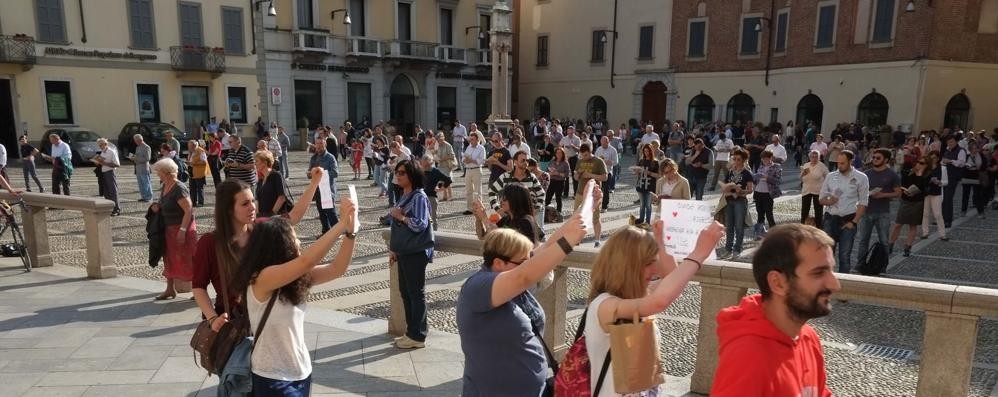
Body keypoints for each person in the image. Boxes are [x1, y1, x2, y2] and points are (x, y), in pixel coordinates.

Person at [231, 198, 356, 396]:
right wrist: (340, 224)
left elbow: (337, 268)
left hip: (301, 370)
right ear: (279, 246)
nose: (298, 242)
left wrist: (351, 233)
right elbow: (306, 261)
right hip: (272, 376)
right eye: (294, 238)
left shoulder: (294, 278)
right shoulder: (262, 279)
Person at [457, 208, 588, 396]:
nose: (529, 264)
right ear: (498, 263)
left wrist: (583, 210)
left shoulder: (509, 273)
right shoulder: (477, 287)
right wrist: (568, 242)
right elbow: (523, 276)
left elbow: (547, 247)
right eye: (523, 261)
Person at [586, 219, 723, 396]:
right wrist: (698, 254)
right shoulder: (604, 305)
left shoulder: (636, 294)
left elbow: (671, 278)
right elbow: (660, 301)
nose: (655, 270)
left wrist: (661, 240)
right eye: (648, 263)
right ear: (626, 266)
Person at [710, 224, 839, 397]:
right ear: (777, 283)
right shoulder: (748, 357)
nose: (835, 285)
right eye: (818, 273)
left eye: (831, 270)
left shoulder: (808, 337)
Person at [192, 173, 321, 337]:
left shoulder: (261, 229)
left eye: (253, 200)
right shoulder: (210, 242)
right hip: (233, 324)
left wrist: (314, 182)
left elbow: (293, 217)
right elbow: (198, 286)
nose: (253, 207)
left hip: (267, 317)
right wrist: (212, 318)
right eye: (245, 203)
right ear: (229, 209)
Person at [387, 160, 434, 349]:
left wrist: (401, 217)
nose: (397, 175)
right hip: (404, 250)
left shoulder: (418, 197)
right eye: (396, 172)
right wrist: (394, 249)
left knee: (416, 294)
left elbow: (420, 224)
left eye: (402, 172)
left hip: (416, 251)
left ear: (412, 175)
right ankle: (410, 332)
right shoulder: (403, 195)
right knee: (406, 293)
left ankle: (419, 335)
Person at [150, 158, 196, 300]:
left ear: (167, 172)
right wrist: (157, 206)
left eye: (159, 172)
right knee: (168, 258)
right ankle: (170, 289)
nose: (158, 175)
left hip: (182, 228)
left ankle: (198, 290)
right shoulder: (165, 185)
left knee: (188, 258)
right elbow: (167, 203)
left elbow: (188, 210)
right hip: (168, 228)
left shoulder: (179, 188)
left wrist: (182, 231)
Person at [820, 150, 870, 273]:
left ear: (850, 162)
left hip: (848, 219)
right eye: (838, 163)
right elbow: (821, 199)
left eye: (843, 163)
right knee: (827, 255)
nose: (840, 166)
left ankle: (844, 285)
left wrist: (854, 222)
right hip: (830, 219)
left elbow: (863, 202)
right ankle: (826, 281)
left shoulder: (861, 177)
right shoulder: (831, 176)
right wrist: (830, 201)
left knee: (844, 255)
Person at [855, 148, 901, 268]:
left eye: (878, 158)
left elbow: (898, 193)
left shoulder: (892, 175)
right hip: (866, 211)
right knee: (863, 240)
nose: (874, 160)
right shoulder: (867, 174)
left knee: (884, 241)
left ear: (886, 160)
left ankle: (882, 266)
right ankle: (860, 264)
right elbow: (858, 190)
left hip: (883, 212)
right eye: (873, 157)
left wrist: (883, 195)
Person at [889, 157, 930, 257]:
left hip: (917, 202)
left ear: (926, 166)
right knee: (898, 224)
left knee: (913, 225)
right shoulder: (907, 172)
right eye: (918, 162)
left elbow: (923, 188)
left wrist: (920, 175)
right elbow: (903, 184)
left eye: (922, 163)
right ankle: (890, 245)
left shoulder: (927, 175)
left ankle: (908, 247)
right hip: (906, 201)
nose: (919, 165)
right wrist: (905, 191)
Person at [488, 151, 545, 220]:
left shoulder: (532, 177)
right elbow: (492, 192)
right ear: (515, 162)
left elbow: (541, 194)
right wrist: (497, 209)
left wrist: (537, 209)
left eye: (527, 160)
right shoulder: (505, 176)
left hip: (526, 216)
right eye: (523, 160)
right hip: (509, 217)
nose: (526, 163)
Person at [719, 148, 754, 258]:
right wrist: (726, 188)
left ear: (743, 160)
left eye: (738, 159)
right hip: (729, 201)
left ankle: (737, 249)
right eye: (734, 159)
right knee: (729, 226)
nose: (736, 161)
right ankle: (728, 249)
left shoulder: (747, 173)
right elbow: (724, 185)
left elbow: (750, 189)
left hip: (740, 201)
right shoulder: (730, 172)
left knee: (739, 226)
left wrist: (741, 191)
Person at [574, 144, 609, 246]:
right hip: (580, 193)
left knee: (595, 218)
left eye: (586, 155)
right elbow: (575, 177)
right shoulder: (580, 161)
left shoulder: (598, 161)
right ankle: (577, 239)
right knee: (578, 217)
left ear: (590, 152)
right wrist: (578, 174)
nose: (584, 157)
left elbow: (605, 177)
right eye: (582, 155)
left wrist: (590, 175)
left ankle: (597, 240)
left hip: (594, 194)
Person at [309, 137, 339, 233]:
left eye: (321, 143)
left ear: (325, 145)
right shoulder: (313, 158)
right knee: (322, 213)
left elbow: (335, 173)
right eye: (317, 143)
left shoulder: (330, 157)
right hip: (317, 189)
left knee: (330, 212)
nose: (319, 145)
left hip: (327, 189)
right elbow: (310, 174)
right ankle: (325, 232)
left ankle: (337, 232)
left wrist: (321, 173)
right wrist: (310, 174)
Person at [753, 150, 783, 237]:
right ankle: (760, 233)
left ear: (770, 158)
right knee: (759, 213)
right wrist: (754, 178)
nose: (764, 161)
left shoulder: (776, 167)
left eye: (766, 159)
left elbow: (779, 181)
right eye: (762, 159)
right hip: (758, 192)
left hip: (768, 193)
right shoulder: (761, 166)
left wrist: (767, 178)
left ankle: (774, 233)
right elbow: (756, 179)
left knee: (769, 213)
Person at [420, 154, 453, 231]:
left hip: (431, 197)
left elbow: (448, 180)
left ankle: (434, 235)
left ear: (430, 163)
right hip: (421, 197)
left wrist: (442, 189)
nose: (425, 166)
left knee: (432, 218)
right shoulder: (421, 171)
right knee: (421, 217)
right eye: (423, 164)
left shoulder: (435, 171)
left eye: (426, 164)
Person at [255, 151, 291, 218]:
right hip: (262, 216)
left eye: (257, 161)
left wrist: (271, 214)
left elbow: (282, 197)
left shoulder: (276, 175)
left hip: (275, 217)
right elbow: (257, 199)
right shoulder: (261, 179)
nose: (255, 164)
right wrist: (257, 215)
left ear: (265, 163)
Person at [922, 153, 948, 240]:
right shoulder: (926, 167)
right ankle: (925, 233)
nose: (933, 159)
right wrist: (929, 180)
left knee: (938, 214)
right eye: (931, 158)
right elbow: (922, 180)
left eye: (935, 158)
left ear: (938, 159)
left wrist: (939, 182)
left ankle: (942, 234)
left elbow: (946, 182)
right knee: (925, 213)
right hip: (927, 193)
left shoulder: (943, 168)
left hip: (936, 192)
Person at [92, 138, 122, 216]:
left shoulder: (112, 152)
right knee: (106, 192)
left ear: (106, 144)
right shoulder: (102, 152)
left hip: (110, 172)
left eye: (101, 145)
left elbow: (117, 164)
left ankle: (116, 209)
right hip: (103, 173)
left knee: (113, 191)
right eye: (99, 145)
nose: (100, 146)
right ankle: (110, 209)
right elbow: (102, 163)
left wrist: (104, 163)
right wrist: (97, 162)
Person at [800, 150, 829, 226]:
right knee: (804, 210)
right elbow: (801, 178)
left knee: (818, 211)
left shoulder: (822, 166)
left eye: (816, 157)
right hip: (806, 190)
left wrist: (826, 187)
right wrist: (802, 174)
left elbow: (828, 177)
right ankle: (803, 226)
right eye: (812, 157)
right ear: (809, 157)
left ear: (819, 158)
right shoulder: (806, 165)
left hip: (818, 191)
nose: (814, 158)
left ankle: (819, 227)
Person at [633, 144, 660, 225]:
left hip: (650, 186)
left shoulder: (655, 162)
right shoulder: (641, 161)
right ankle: (641, 220)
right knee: (642, 205)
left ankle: (647, 222)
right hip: (641, 185)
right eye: (644, 151)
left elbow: (658, 175)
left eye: (647, 151)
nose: (646, 153)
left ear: (651, 151)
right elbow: (637, 173)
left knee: (648, 205)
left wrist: (649, 173)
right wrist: (636, 172)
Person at [463, 132, 487, 215]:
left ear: (477, 140)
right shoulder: (468, 147)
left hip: (477, 170)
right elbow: (463, 157)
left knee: (477, 190)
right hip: (468, 170)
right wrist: (464, 160)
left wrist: (472, 160)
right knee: (468, 190)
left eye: (472, 139)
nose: (471, 141)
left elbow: (482, 161)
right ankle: (469, 208)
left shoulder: (481, 148)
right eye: (470, 139)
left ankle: (478, 208)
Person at [961, 141, 987, 218]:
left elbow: (984, 165)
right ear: (970, 149)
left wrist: (977, 168)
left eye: (976, 148)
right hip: (966, 177)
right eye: (972, 149)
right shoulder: (966, 156)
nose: (974, 150)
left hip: (976, 178)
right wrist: (967, 167)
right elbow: (962, 166)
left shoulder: (981, 156)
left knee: (978, 196)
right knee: (965, 195)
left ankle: (981, 212)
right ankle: (963, 211)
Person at [594, 136, 618, 211]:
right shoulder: (599, 149)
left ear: (608, 142)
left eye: (605, 143)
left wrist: (609, 162)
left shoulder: (613, 150)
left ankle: (604, 206)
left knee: (606, 189)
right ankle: (596, 205)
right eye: (602, 143)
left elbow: (616, 162)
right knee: (597, 189)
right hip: (598, 172)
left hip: (607, 172)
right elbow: (595, 158)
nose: (603, 144)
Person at [545, 147, 570, 216]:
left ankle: (559, 212)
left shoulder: (565, 163)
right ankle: (545, 211)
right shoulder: (552, 161)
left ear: (563, 154)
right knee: (548, 196)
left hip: (560, 182)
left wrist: (558, 173)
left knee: (558, 197)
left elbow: (567, 175)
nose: (558, 154)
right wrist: (551, 173)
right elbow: (547, 171)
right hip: (552, 181)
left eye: (560, 153)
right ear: (555, 154)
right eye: (557, 153)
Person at [434, 132, 457, 201]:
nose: (438, 141)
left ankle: (450, 196)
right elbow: (437, 154)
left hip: (447, 165)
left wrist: (443, 159)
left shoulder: (448, 145)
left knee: (447, 181)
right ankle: (445, 196)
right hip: (440, 165)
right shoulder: (438, 145)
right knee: (442, 181)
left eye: (439, 140)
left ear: (443, 138)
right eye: (437, 140)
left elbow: (452, 155)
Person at [560, 126, 582, 196]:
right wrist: (563, 150)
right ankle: (565, 193)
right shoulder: (564, 138)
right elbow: (560, 146)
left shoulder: (577, 138)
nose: (570, 134)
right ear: (567, 132)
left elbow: (579, 150)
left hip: (574, 158)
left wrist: (573, 146)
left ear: (574, 132)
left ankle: (576, 193)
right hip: (566, 158)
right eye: (569, 132)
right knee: (565, 175)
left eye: (571, 133)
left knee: (574, 175)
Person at [187, 140, 208, 207]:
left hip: (199, 172)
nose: (189, 148)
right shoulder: (191, 151)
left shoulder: (201, 151)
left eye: (190, 146)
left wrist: (193, 163)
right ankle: (193, 202)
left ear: (194, 146)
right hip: (192, 172)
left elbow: (204, 162)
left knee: (199, 188)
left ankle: (200, 202)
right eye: (189, 146)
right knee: (192, 188)